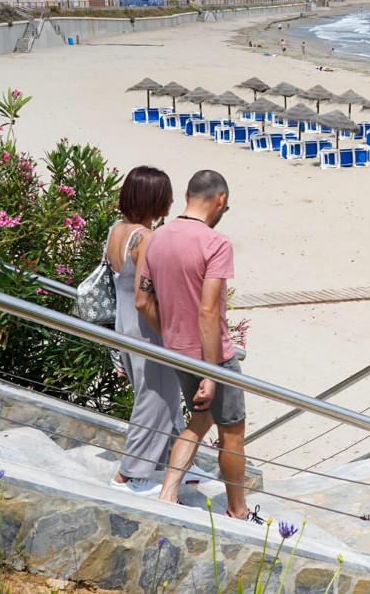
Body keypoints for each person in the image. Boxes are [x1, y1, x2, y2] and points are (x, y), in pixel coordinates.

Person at [138, 171, 257, 522]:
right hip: (214, 356)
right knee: (232, 432)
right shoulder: (216, 244)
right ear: (220, 200)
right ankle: (237, 510)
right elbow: (208, 310)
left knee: (199, 419)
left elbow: (143, 302)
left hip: (176, 350)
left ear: (187, 195)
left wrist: (174, 336)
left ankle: (168, 492)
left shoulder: (156, 238)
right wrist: (210, 371)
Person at [107, 167, 192, 495]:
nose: (170, 200)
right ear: (154, 199)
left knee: (162, 396)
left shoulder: (118, 231)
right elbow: (146, 299)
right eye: (166, 195)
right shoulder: (145, 239)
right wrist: (170, 335)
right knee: (155, 397)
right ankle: (128, 475)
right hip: (146, 328)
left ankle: (175, 461)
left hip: (123, 324)